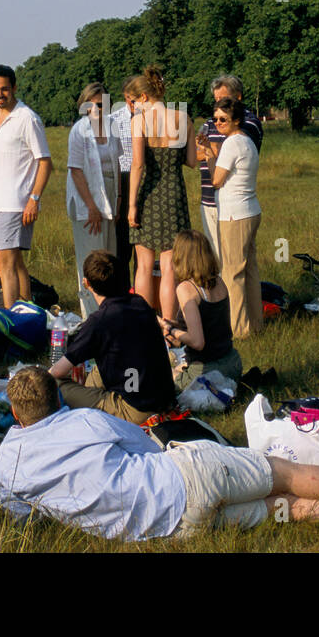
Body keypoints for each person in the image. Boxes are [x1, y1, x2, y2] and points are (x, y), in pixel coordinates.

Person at [0, 366, 319, 541]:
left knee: (284, 508)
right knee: (284, 474)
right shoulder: (84, 420)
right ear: (57, 400)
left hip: (171, 529)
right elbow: (144, 443)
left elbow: (24, 514)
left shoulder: (7, 465)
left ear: (14, 413)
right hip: (184, 476)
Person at [48, 250, 176, 424]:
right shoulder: (139, 302)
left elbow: (57, 372)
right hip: (163, 398)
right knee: (97, 370)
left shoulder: (99, 321)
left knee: (55, 384)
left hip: (136, 410)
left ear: (86, 283)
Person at [0, 64, 52, 308]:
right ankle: (26, 311)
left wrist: (34, 199)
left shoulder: (27, 118)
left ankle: (10, 318)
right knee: (15, 263)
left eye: (4, 89)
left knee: (3, 264)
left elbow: (44, 162)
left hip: (18, 202)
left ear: (14, 87)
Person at [127, 65, 196, 321]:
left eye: (134, 101)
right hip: (175, 193)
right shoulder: (183, 118)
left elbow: (138, 165)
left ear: (144, 97)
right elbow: (190, 162)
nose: (133, 106)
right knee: (169, 268)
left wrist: (132, 205)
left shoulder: (140, 121)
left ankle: (144, 324)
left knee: (144, 266)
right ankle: (169, 325)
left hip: (149, 193)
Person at [200, 96, 262, 339]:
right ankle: (255, 324)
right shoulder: (246, 141)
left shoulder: (232, 143)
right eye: (215, 119)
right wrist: (209, 153)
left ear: (237, 120)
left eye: (223, 119)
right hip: (250, 211)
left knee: (232, 273)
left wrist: (208, 157)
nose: (218, 123)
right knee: (250, 271)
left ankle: (238, 329)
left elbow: (216, 180)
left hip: (235, 215)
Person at [67, 82, 123, 317]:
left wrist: (118, 199)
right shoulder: (79, 131)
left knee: (108, 257)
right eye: (93, 104)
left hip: (110, 193)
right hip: (86, 198)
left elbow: (117, 164)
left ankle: (109, 310)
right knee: (92, 258)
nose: (98, 109)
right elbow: (76, 170)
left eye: (102, 104)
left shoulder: (111, 128)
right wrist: (91, 206)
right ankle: (91, 313)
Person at [196, 74, 263, 261]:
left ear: (238, 97)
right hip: (210, 199)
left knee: (231, 264)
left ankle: (229, 292)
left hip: (233, 204)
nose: (218, 121)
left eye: (224, 100)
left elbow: (232, 150)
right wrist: (209, 149)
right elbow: (195, 153)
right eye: (216, 100)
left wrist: (211, 149)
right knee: (220, 257)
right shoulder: (213, 121)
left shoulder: (247, 124)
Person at [164, 231, 242, 390]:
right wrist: (171, 324)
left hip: (206, 372)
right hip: (232, 363)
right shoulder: (219, 281)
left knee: (157, 373)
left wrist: (170, 329)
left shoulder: (186, 289)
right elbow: (208, 321)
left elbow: (198, 342)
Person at [107, 78, 138, 285]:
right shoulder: (113, 120)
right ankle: (124, 289)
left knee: (144, 247)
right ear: (125, 97)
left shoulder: (154, 119)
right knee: (123, 244)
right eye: (132, 98)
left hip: (145, 182)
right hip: (123, 182)